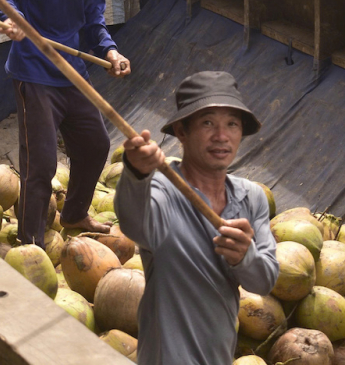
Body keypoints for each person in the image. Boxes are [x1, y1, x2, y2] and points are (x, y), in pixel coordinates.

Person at [0, 0, 144, 247]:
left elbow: (93, 22)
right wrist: (15, 21)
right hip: (34, 74)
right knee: (41, 164)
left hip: (72, 73)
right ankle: (29, 242)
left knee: (95, 145)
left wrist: (110, 50)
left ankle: (74, 214)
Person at [115, 71, 279, 364]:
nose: (221, 136)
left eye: (232, 124)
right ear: (181, 131)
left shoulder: (251, 197)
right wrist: (136, 172)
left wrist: (245, 257)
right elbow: (135, 223)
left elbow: (264, 281)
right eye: (207, 123)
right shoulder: (162, 188)